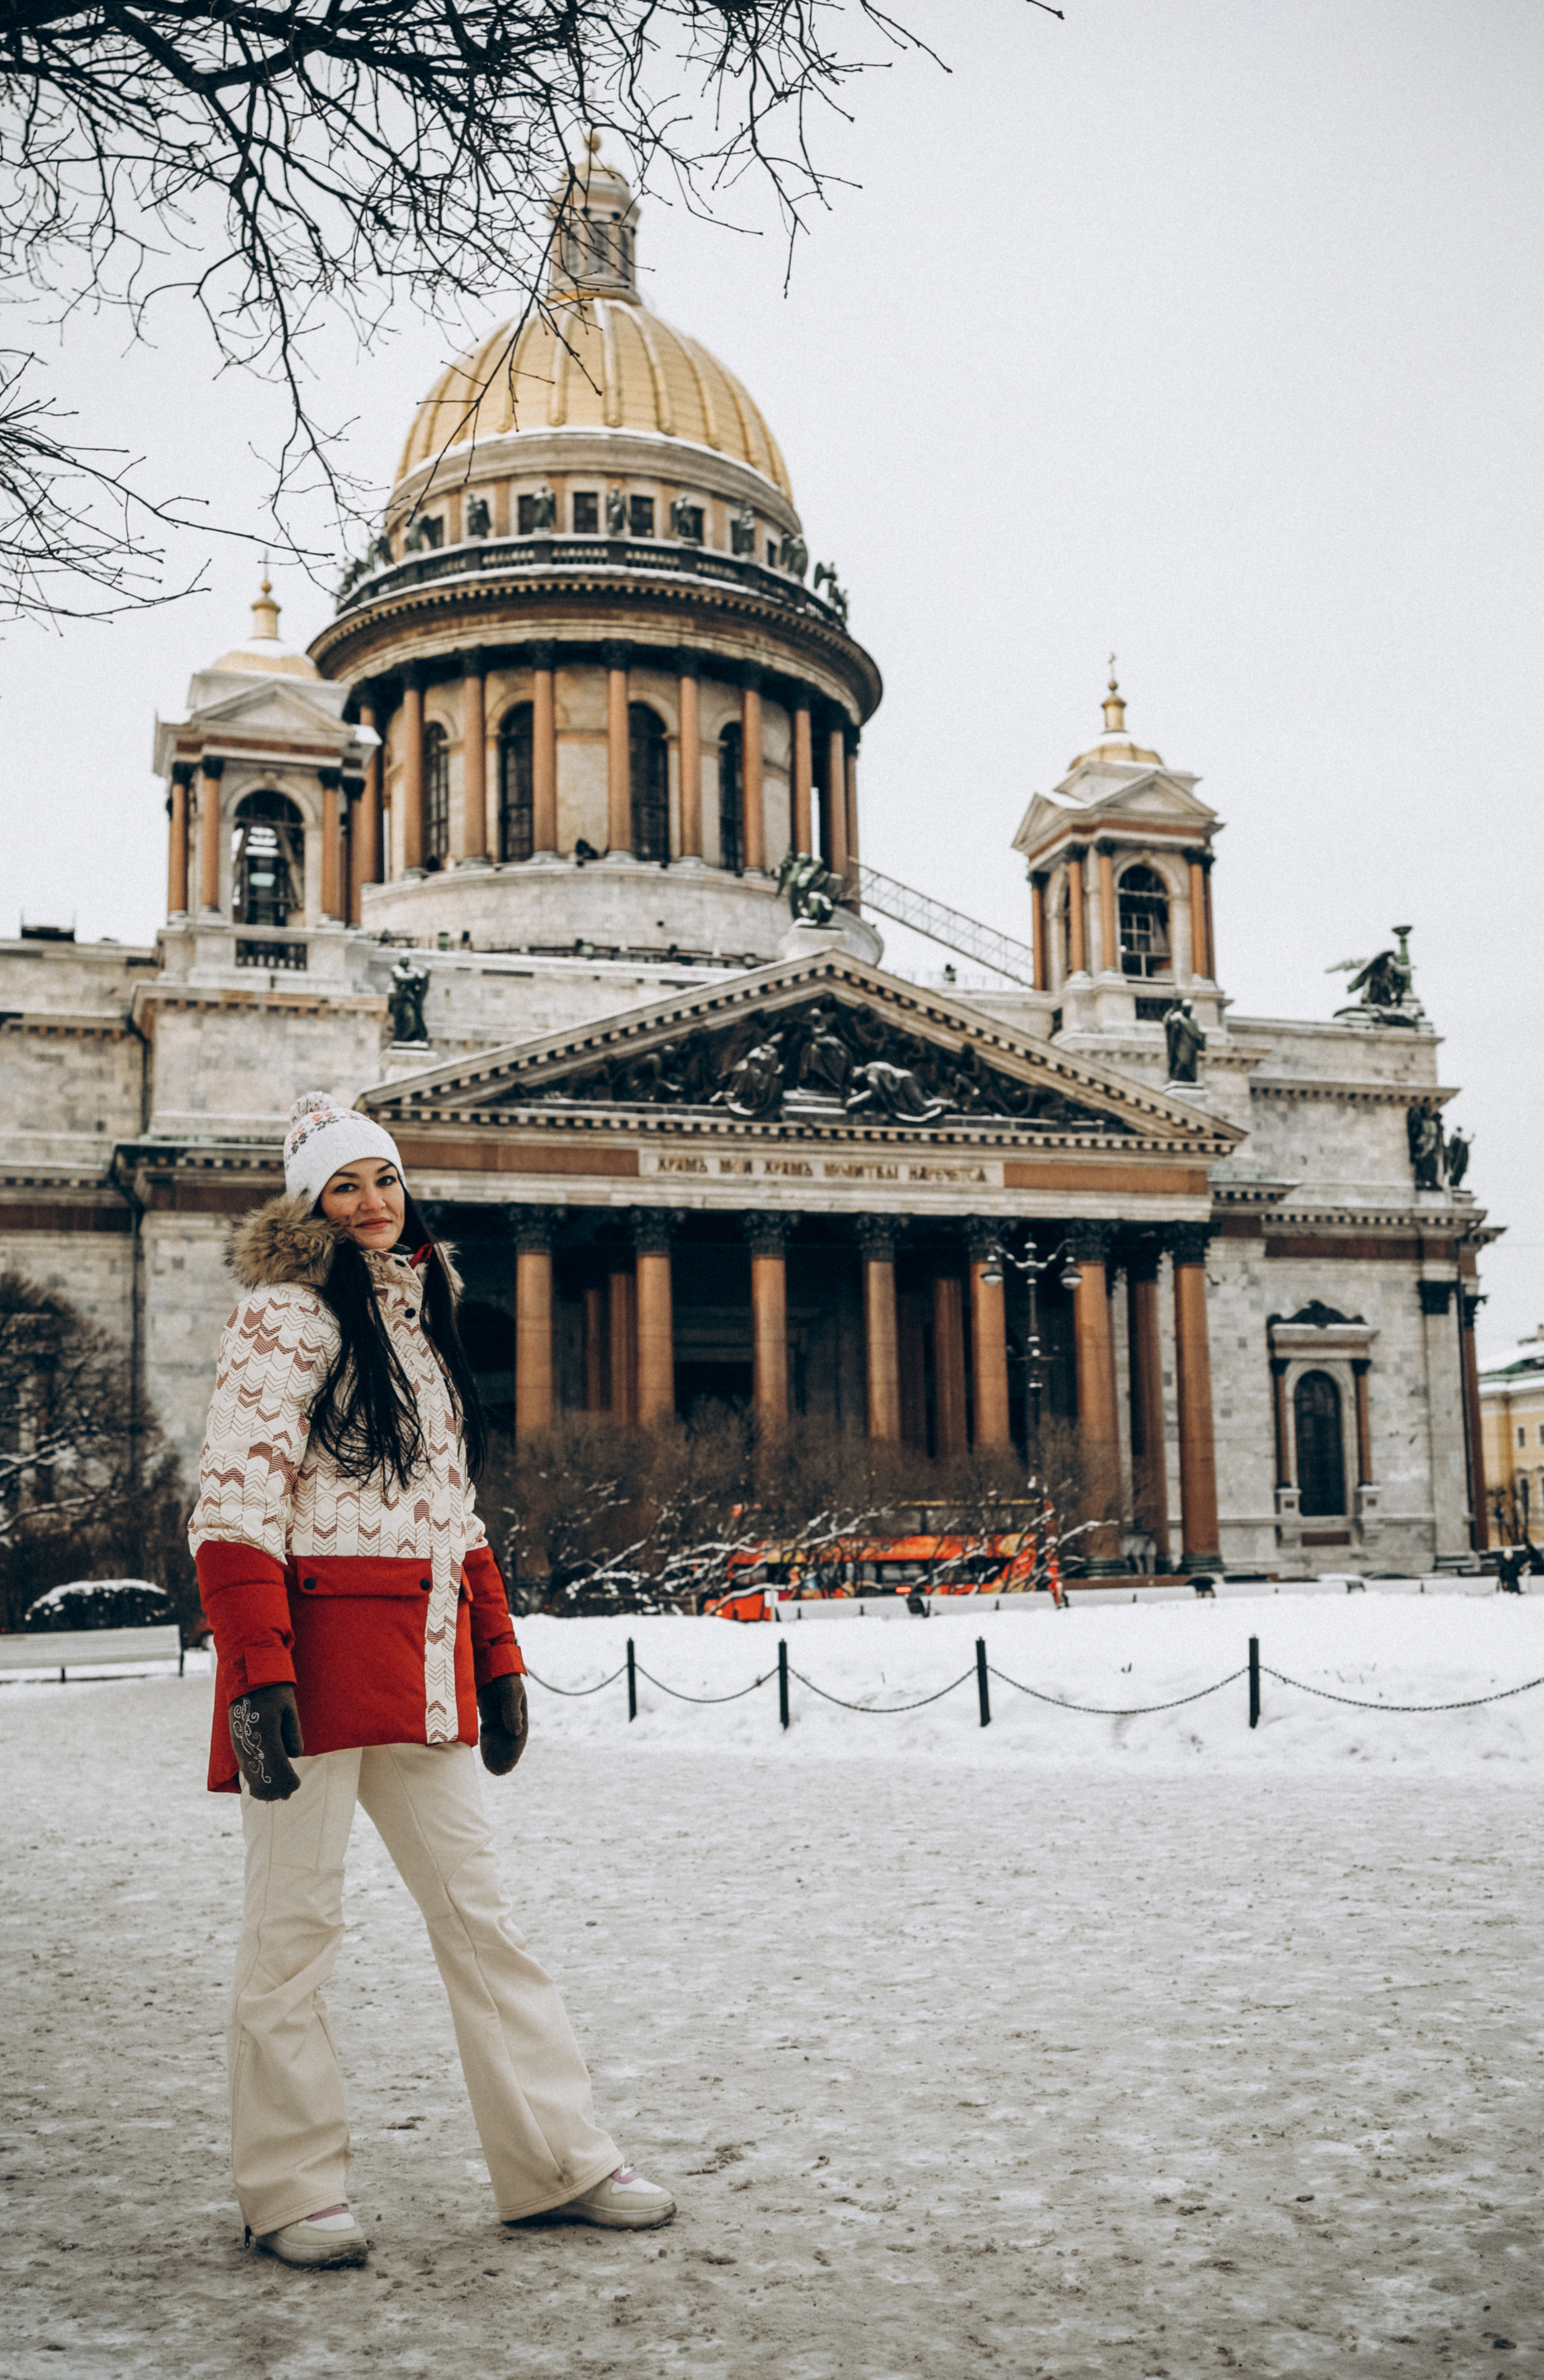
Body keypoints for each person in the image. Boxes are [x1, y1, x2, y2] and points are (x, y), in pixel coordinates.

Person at [191, 1092, 674, 2271]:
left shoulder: (419, 1318)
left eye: (385, 1179)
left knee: (483, 1921)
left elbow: (450, 1512)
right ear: (308, 1200)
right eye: (344, 1183)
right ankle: (289, 2186)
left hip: (422, 1662)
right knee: (292, 1931)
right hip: (308, 1667)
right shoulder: (278, 1316)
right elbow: (233, 1499)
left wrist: (498, 1656)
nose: (370, 1202)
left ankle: (554, 2158)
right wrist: (257, 1670)